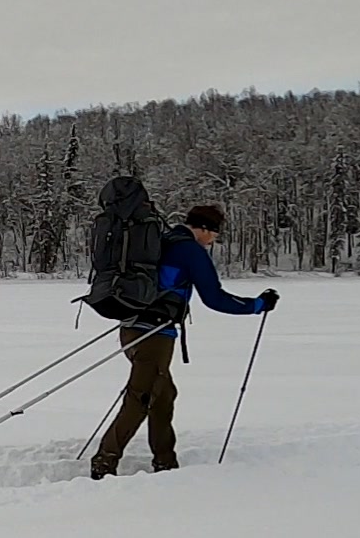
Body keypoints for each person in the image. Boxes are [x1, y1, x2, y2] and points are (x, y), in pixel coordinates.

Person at [90, 205, 277, 479]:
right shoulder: (190, 251)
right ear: (202, 229)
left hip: (131, 328)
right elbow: (214, 298)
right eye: (213, 233)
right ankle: (104, 463)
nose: (214, 239)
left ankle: (165, 462)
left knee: (163, 395)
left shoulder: (162, 240)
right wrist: (257, 305)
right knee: (140, 398)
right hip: (156, 334)